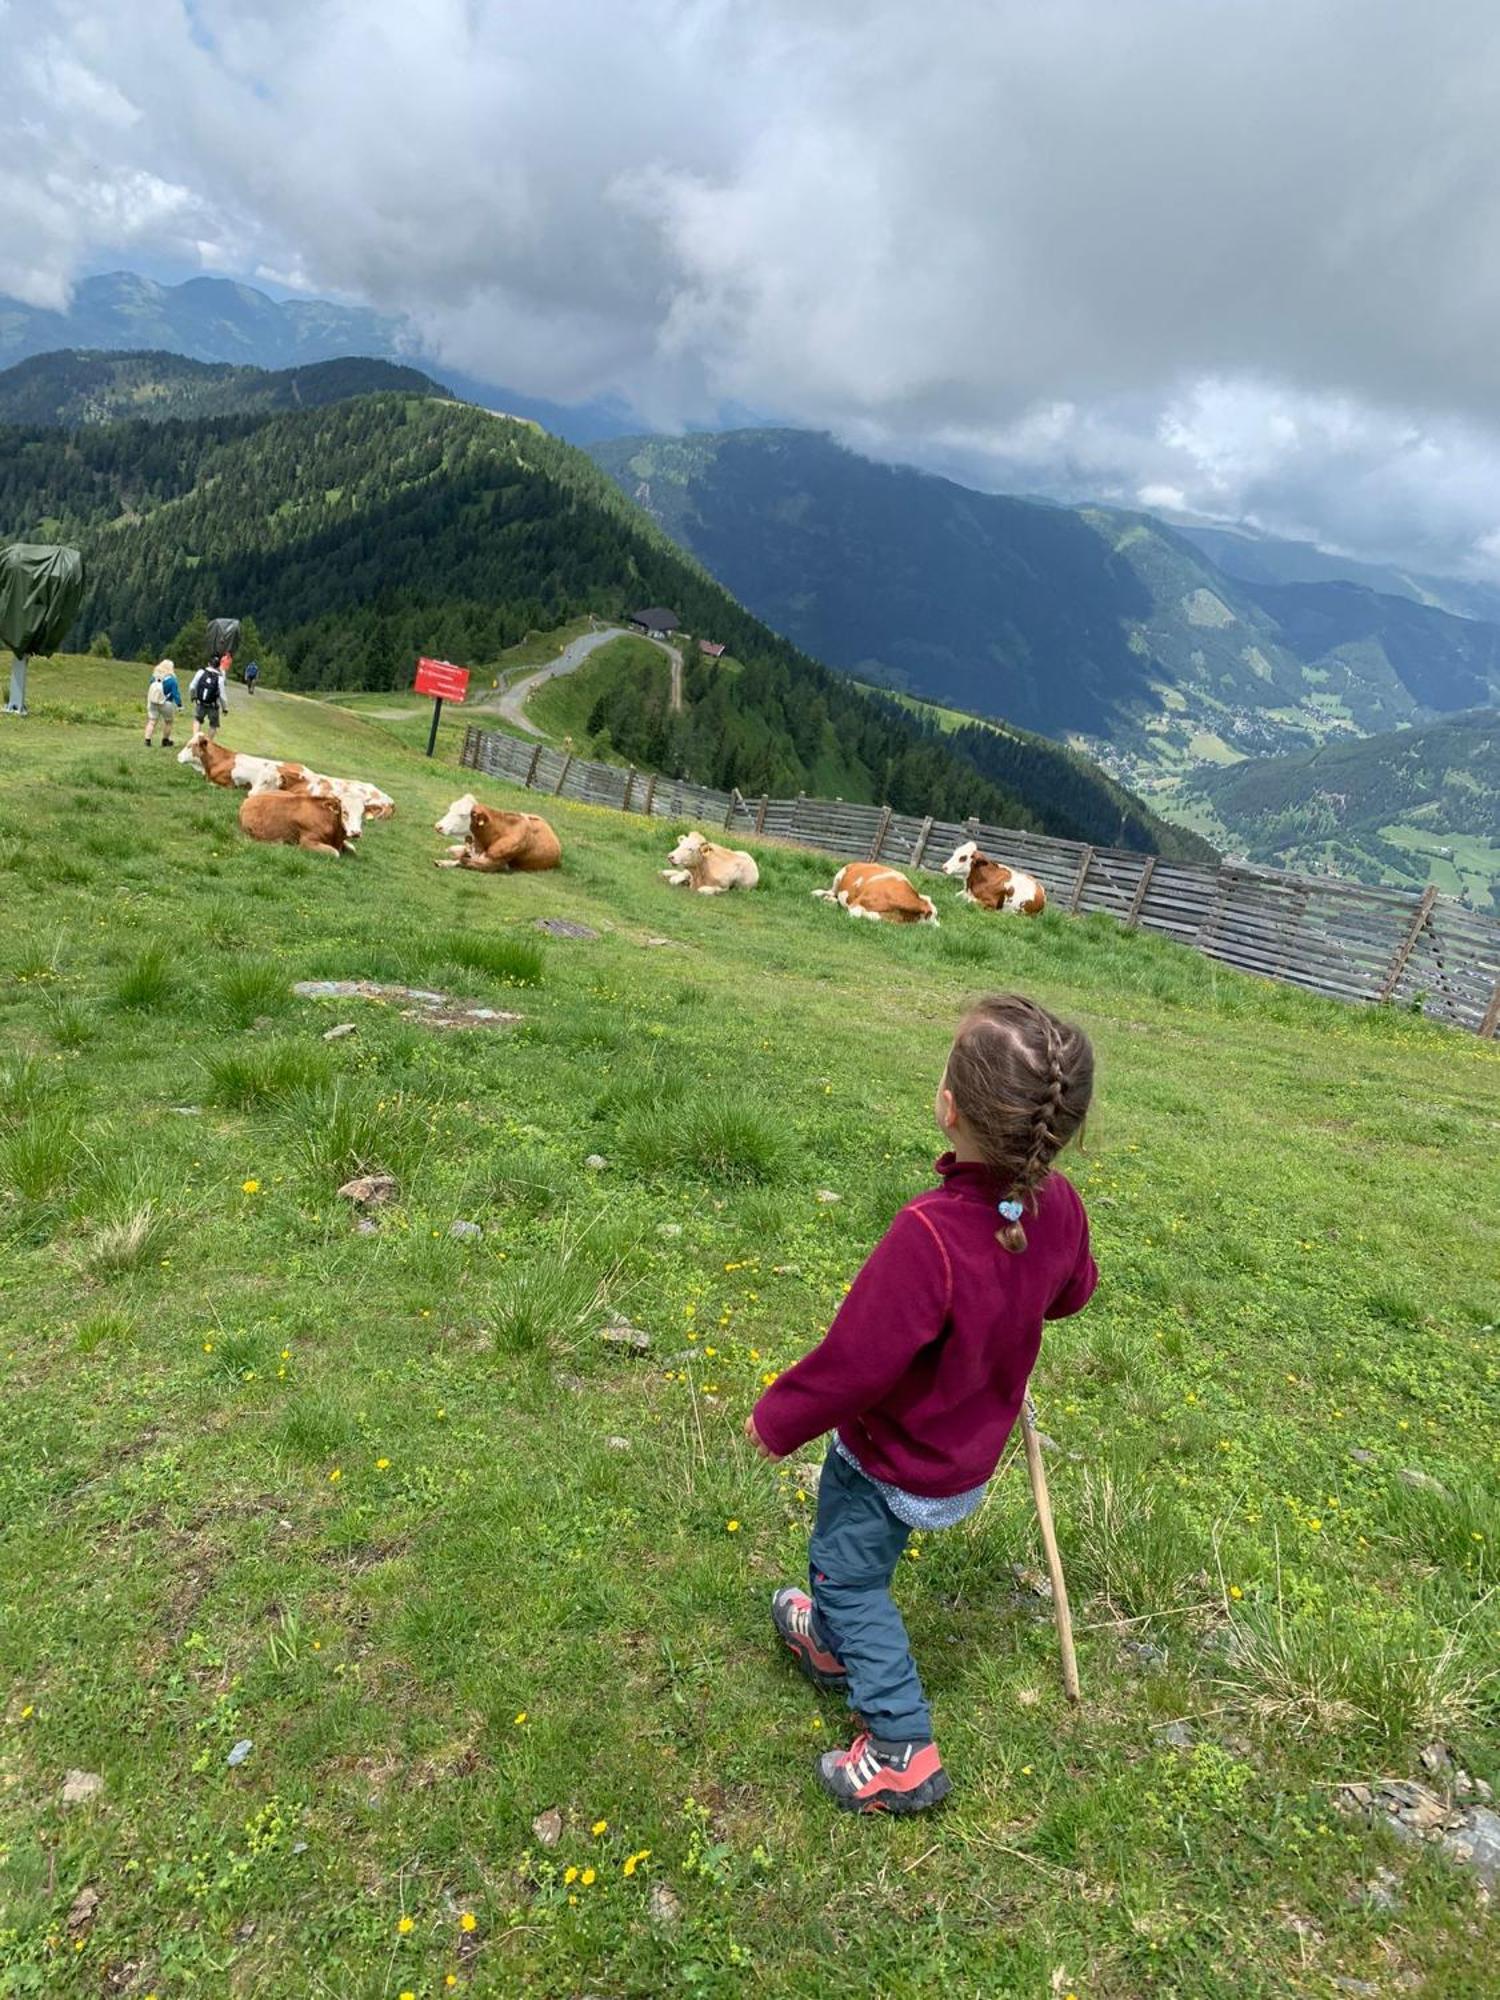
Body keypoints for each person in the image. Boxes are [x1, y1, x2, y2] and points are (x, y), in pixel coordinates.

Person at [744, 993, 1097, 1814]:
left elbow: (857, 1363)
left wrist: (779, 1417)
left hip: (894, 1453)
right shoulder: (1061, 1206)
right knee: (854, 1565)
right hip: (966, 1452)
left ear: (949, 1107)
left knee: (847, 1576)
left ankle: (901, 1744)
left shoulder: (929, 1234)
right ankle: (830, 1649)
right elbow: (1073, 1293)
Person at [143, 658, 182, 747]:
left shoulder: (154, 678)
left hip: (153, 702)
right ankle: (165, 740)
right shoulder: (172, 680)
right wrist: (179, 705)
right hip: (166, 703)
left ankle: (147, 740)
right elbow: (175, 693)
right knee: (168, 722)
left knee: (152, 721)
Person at [189, 656, 229, 738]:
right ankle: (208, 743)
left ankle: (195, 739)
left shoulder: (200, 672)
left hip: (200, 703)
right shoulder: (219, 678)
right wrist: (225, 708)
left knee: (197, 720)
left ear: (208, 663)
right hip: (213, 706)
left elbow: (192, 686)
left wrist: (193, 696)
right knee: (213, 725)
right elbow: (222, 696)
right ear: (218, 667)